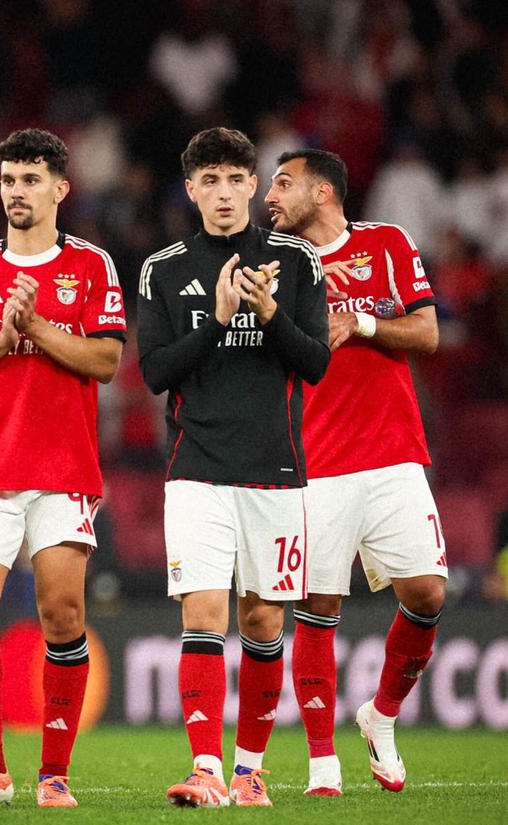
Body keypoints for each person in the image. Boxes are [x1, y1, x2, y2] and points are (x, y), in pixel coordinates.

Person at [0, 128, 126, 808]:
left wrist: (36, 327)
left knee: (62, 614)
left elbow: (106, 360)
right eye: (9, 179)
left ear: (61, 189)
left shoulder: (92, 266)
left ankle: (53, 774)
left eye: (31, 179)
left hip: (63, 468)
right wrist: (1, 339)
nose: (17, 191)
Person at [137, 127, 329, 808]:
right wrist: (217, 318)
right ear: (191, 189)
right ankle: (206, 768)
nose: (222, 192)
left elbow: (315, 362)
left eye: (234, 179)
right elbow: (155, 372)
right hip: (196, 467)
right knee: (203, 613)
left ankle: (249, 772)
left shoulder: (297, 260)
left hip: (274, 468)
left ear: (253, 185)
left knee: (264, 622)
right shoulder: (163, 268)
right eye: (209, 180)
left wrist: (268, 311)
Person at [265, 149, 447, 796]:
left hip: (395, 452)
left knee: (427, 595)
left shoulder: (388, 243)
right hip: (315, 460)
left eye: (283, 183)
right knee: (318, 607)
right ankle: (323, 765)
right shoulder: (274, 265)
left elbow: (427, 333)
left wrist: (363, 321)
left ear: (322, 191)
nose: (269, 196)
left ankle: (381, 715)